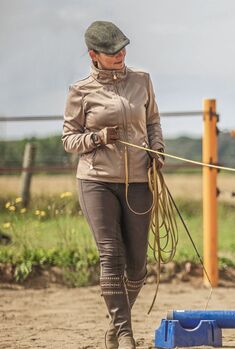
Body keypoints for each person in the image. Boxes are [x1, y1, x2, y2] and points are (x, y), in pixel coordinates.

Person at [62, 21, 164, 349]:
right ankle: (124, 332)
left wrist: (157, 150)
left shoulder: (142, 81)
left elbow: (152, 122)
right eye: (111, 52)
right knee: (111, 254)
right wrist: (98, 137)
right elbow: (69, 139)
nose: (120, 55)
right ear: (94, 55)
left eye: (122, 49)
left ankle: (116, 323)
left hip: (138, 180)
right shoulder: (80, 91)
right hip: (96, 181)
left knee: (137, 267)